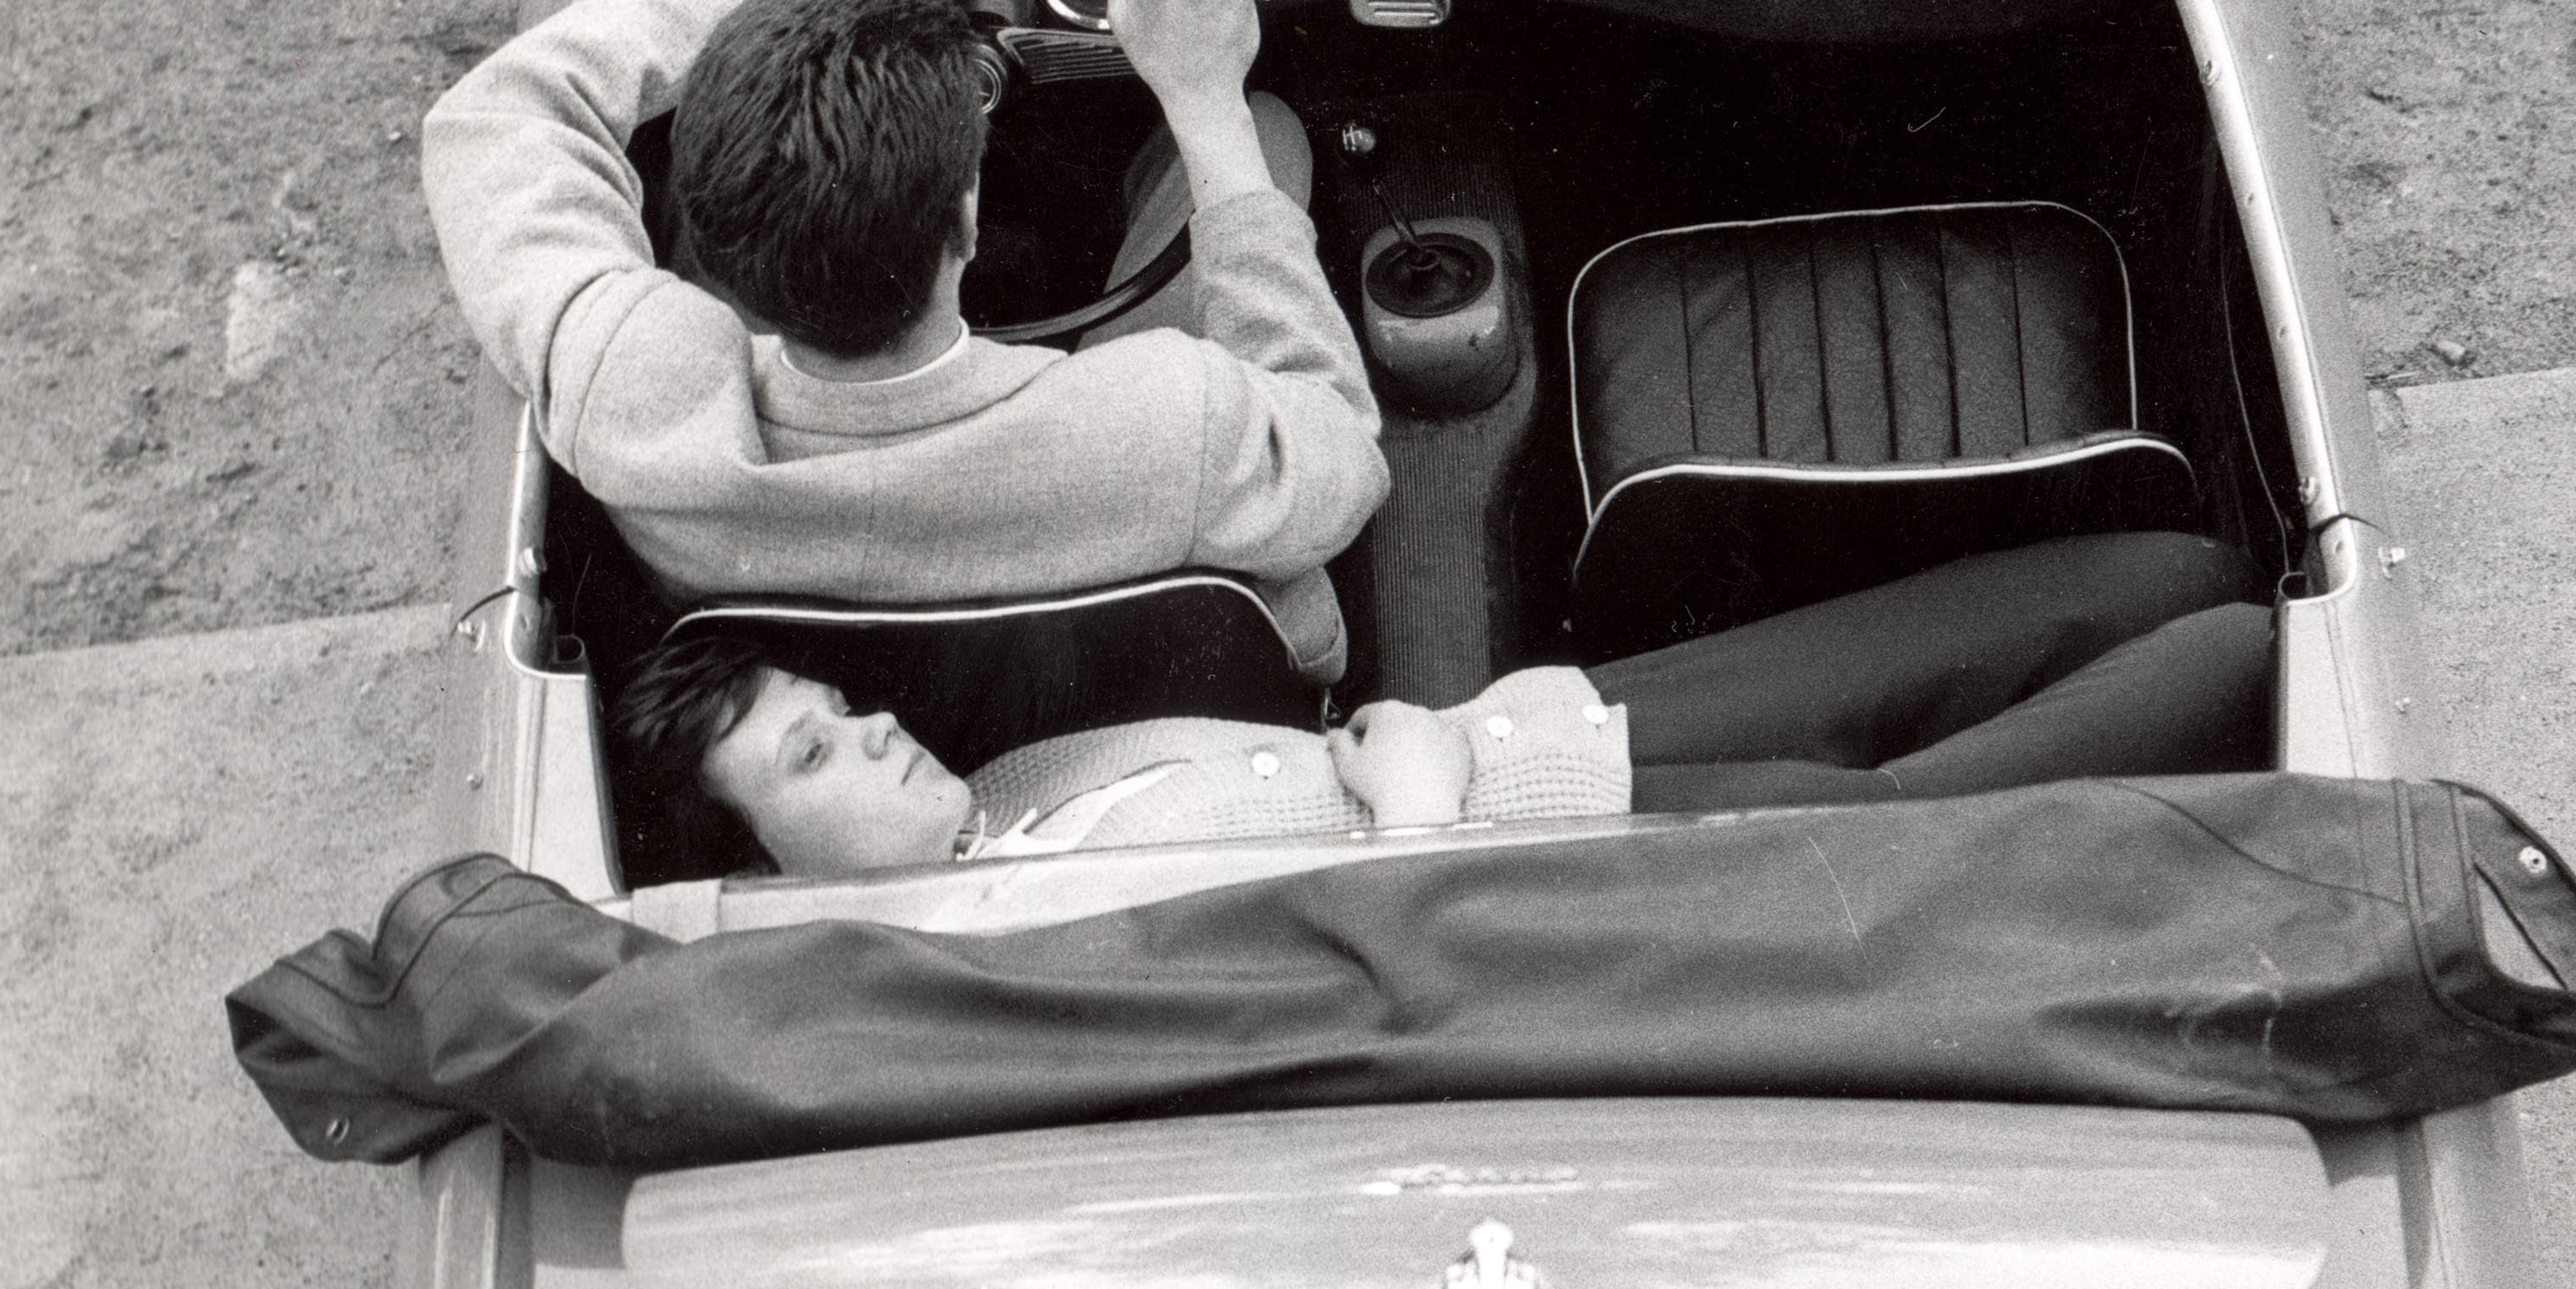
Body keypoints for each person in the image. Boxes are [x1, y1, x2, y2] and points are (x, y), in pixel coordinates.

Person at [422, 0, 1388, 680]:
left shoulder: (633, 395)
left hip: (852, 716)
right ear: (970, 220)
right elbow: (1339, 444)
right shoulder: (1178, 428)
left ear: (706, 240)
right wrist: (1204, 98)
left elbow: (500, 115)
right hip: (1146, 680)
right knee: (1262, 134)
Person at [606, 532, 2276, 880]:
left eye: (834, 698)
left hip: (1578, 722)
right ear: (761, 873)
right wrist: (1409, 800)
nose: (873, 724)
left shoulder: (1006, 786)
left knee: (2160, 569)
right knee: (2235, 657)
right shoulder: (1001, 953)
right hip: (1625, 857)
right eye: (813, 752)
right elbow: (1380, 982)